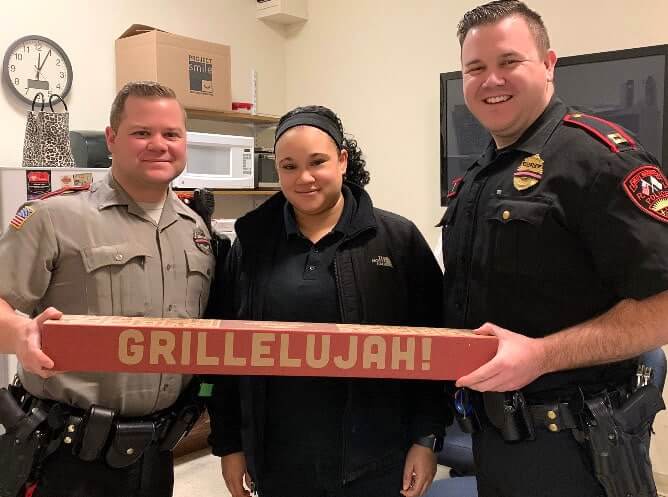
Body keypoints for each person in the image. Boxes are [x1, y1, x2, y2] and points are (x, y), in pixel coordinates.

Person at [441, 1, 668, 496]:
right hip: (496, 438)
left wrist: (542, 355)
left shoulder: (600, 160)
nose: (490, 80)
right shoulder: (481, 174)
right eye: (475, 68)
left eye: (509, 62)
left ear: (548, 65)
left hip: (577, 448)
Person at [205, 105, 447, 497]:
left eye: (317, 162)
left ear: (342, 160)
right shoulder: (251, 246)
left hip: (377, 459)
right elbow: (225, 353)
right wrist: (229, 445)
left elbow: (432, 349)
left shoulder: (397, 240)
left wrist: (426, 438)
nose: (304, 178)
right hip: (279, 459)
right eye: (289, 166)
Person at [0, 81, 215, 497]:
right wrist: (21, 335)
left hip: (157, 451)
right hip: (69, 456)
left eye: (171, 134)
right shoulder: (54, 218)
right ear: (112, 138)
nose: (159, 145)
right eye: (141, 133)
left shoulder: (196, 230)